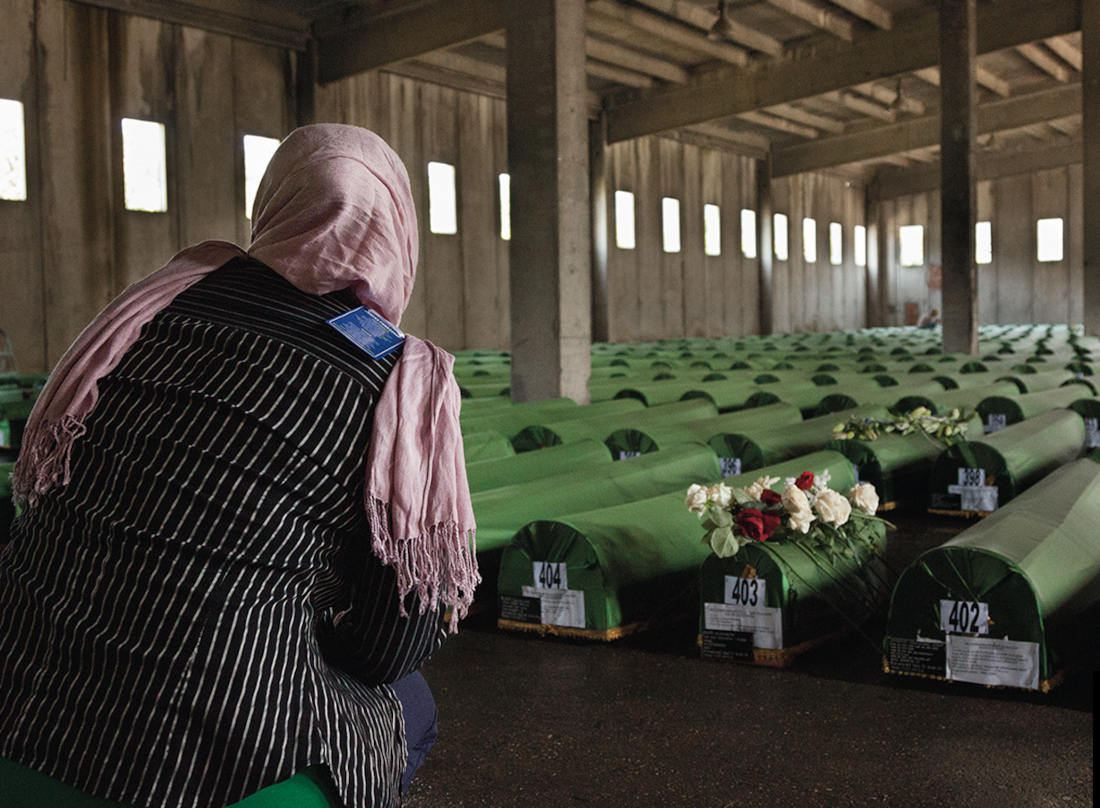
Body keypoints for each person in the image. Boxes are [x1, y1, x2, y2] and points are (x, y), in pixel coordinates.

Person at [0, 124, 478, 808]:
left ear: (272, 205)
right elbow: (393, 639)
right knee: (412, 704)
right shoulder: (400, 381)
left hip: (19, 681)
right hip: (179, 759)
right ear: (398, 230)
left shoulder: (150, 308)